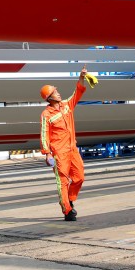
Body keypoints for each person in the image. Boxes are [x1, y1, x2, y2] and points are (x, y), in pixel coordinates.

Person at [39, 66, 90, 221]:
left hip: (72, 149)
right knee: (62, 181)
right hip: (59, 153)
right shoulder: (46, 114)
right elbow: (43, 134)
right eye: (55, 92)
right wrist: (47, 153)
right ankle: (67, 210)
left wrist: (82, 77)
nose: (58, 93)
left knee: (79, 177)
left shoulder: (67, 105)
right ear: (50, 97)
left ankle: (69, 199)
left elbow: (78, 92)